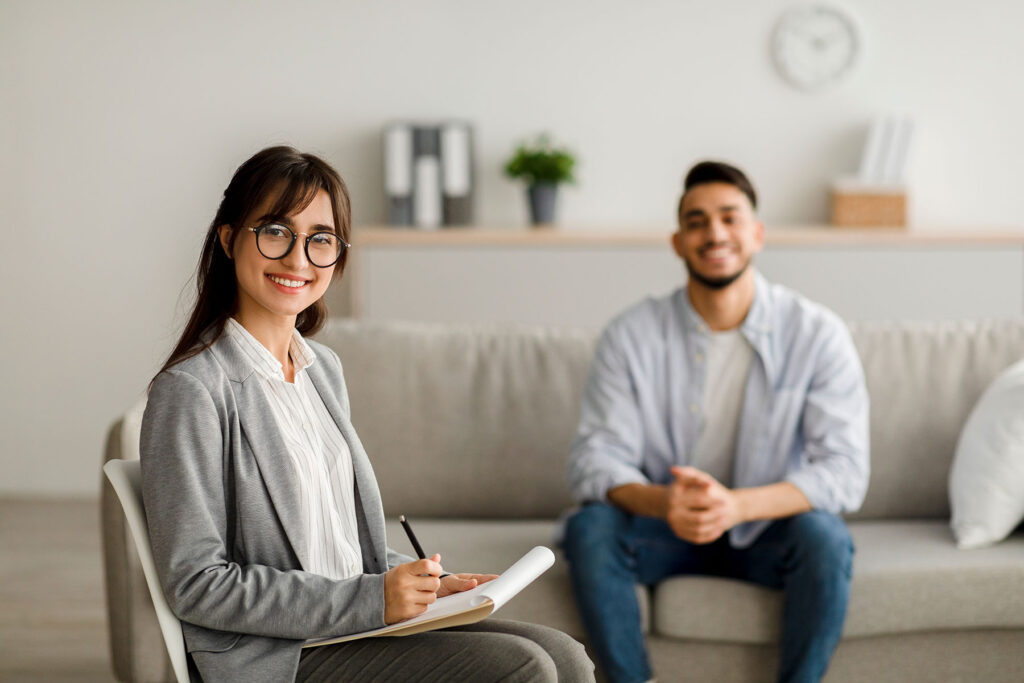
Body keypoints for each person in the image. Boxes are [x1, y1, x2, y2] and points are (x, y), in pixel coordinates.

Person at [140, 146, 594, 683]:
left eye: (320, 239)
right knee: (526, 668)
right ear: (228, 238)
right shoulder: (192, 391)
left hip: (357, 626)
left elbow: (335, 538)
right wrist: (373, 597)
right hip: (283, 653)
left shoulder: (321, 369)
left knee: (566, 655)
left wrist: (419, 581)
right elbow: (197, 583)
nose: (298, 258)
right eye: (275, 231)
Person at [562, 161, 869, 683]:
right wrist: (664, 502)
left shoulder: (818, 334)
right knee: (589, 527)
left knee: (827, 537)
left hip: (768, 532)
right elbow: (595, 459)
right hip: (663, 529)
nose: (715, 233)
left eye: (730, 217)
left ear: (757, 234)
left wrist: (737, 506)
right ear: (678, 242)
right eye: (697, 221)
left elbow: (844, 470)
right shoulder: (630, 334)